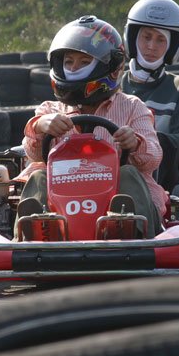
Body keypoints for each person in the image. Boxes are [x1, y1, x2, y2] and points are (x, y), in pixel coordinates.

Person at [17, 15, 166, 238]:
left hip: (114, 197)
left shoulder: (133, 107)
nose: (74, 68)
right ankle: (36, 231)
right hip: (61, 202)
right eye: (68, 62)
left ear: (110, 67)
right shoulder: (49, 110)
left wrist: (134, 143)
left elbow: (153, 157)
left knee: (129, 173)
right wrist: (40, 127)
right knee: (38, 175)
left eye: (84, 62)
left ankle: (132, 230)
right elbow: (32, 152)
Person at [121, 0, 179, 191]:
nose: (152, 46)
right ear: (133, 37)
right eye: (146, 37)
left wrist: (147, 143)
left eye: (161, 40)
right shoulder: (112, 85)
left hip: (160, 185)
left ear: (172, 46)